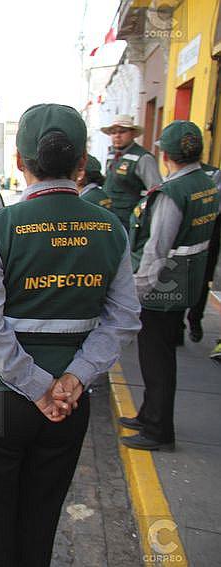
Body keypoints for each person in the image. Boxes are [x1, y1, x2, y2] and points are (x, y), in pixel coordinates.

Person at [0, 104, 141, 566]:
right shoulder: (111, 229)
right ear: (82, 163)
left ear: (20, 161)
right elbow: (123, 318)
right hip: (68, 403)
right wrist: (73, 379)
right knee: (40, 522)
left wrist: (36, 386)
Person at [120, 121, 219, 451]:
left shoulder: (172, 192)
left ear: (165, 155)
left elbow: (157, 249)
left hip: (163, 286)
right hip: (186, 279)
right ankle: (149, 414)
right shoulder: (206, 183)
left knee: (156, 359)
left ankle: (157, 429)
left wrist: (136, 294)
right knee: (161, 354)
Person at [101, 115, 163, 229]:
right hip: (109, 216)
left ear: (133, 133)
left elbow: (156, 192)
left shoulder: (143, 158)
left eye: (122, 131)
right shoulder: (111, 155)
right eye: (113, 132)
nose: (117, 135)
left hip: (129, 220)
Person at [184, 162, 221, 342]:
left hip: (210, 232)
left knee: (203, 278)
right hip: (189, 230)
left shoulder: (213, 173)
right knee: (180, 276)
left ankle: (195, 319)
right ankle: (178, 325)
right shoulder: (177, 174)